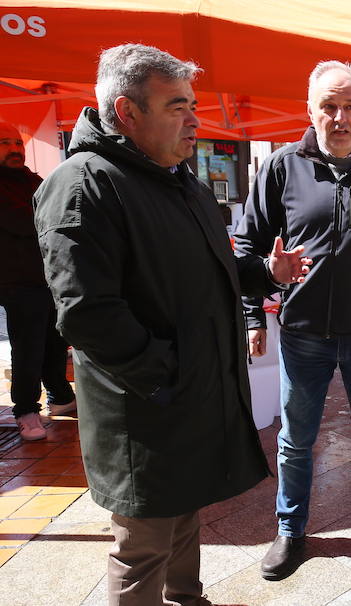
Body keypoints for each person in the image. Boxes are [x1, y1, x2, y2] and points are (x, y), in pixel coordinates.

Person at [33, 44, 308, 606]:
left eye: (192, 104)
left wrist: (263, 272)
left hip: (186, 397)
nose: (194, 119)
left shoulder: (178, 179)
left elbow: (211, 263)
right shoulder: (84, 184)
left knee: (186, 519)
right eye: (176, 105)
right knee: (143, 549)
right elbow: (87, 312)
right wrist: (167, 373)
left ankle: (188, 599)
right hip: (144, 411)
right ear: (127, 112)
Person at [233, 60, 351, 581]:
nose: (339, 117)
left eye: (349, 106)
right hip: (302, 335)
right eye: (328, 106)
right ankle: (290, 529)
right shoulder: (279, 168)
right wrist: (257, 310)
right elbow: (247, 247)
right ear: (310, 110)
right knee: (296, 438)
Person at [0, 122, 76, 441]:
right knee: (28, 346)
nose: (15, 149)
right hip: (16, 280)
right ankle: (26, 411)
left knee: (55, 341)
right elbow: (23, 221)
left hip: (48, 277)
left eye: (17, 143)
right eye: (5, 143)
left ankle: (60, 397)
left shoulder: (33, 180)